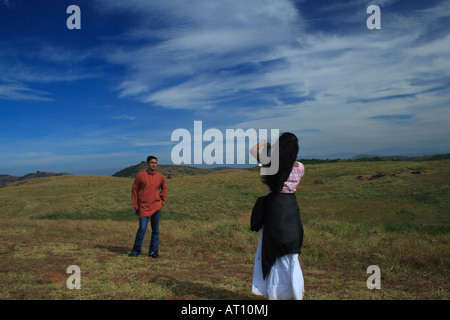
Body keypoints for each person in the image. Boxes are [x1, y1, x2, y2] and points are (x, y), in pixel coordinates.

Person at [250, 133, 305, 300]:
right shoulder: (301, 167)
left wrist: (264, 144)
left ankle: (275, 292)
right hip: (291, 210)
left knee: (271, 251)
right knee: (291, 254)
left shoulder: (272, 165)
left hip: (274, 211)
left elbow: (252, 151)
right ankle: (293, 292)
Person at [129, 156, 167, 258]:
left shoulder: (160, 177)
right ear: (147, 164)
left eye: (155, 163)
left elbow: (164, 188)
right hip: (143, 207)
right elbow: (134, 191)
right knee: (142, 228)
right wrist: (136, 205)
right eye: (151, 163)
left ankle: (153, 252)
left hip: (156, 206)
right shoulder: (140, 176)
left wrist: (162, 202)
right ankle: (136, 251)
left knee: (155, 230)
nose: (153, 164)